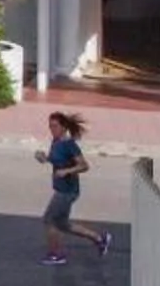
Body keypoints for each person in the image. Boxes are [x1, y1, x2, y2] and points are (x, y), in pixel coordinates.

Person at [39, 111, 110, 265]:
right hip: (61, 189)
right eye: (50, 126)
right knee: (63, 224)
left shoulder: (70, 145)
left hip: (67, 191)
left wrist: (66, 171)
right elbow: (57, 160)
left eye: (55, 126)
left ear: (64, 127)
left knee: (49, 220)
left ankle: (56, 255)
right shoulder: (56, 141)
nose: (52, 129)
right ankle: (100, 239)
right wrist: (45, 158)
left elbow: (84, 166)